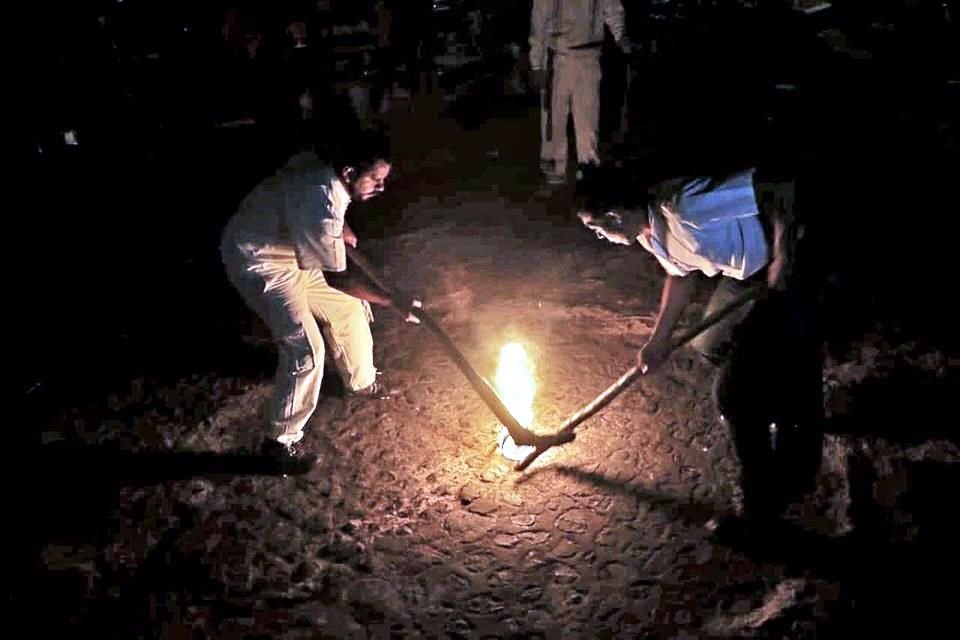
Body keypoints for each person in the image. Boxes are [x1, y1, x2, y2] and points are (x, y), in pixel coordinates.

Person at [577, 166, 823, 534]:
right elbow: (679, 274)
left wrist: (784, 256)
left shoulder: (685, 207)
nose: (600, 236)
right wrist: (658, 340)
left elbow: (780, 184)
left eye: (597, 228)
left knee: (735, 396)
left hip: (789, 265)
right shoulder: (650, 232)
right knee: (711, 343)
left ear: (615, 215)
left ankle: (765, 501)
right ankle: (785, 385)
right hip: (745, 275)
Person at [220, 128, 420, 467]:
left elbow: (294, 193)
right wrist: (391, 301)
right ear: (349, 174)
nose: (381, 187)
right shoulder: (321, 204)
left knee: (351, 307)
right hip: (261, 260)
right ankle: (280, 444)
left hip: (294, 249)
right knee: (307, 350)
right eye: (374, 179)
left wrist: (339, 229)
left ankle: (361, 382)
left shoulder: (321, 167)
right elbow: (337, 276)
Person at [529, 0, 630, 186]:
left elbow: (613, 10)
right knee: (555, 116)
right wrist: (537, 64)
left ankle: (588, 166)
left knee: (588, 117)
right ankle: (555, 165)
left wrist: (620, 35)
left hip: (589, 57)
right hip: (558, 58)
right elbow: (539, 22)